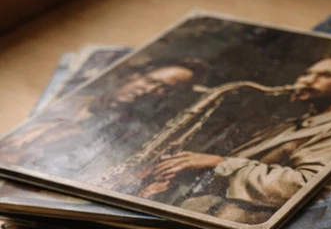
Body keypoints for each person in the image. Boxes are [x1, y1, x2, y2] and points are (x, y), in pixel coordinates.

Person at [139, 48, 331, 224]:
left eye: (324, 76)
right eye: (307, 73)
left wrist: (216, 163)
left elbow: (307, 187)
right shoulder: (302, 121)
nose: (303, 81)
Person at [0, 62, 202, 171]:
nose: (149, 90)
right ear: (134, 76)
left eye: (164, 89)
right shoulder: (70, 100)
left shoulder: (125, 135)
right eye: (151, 80)